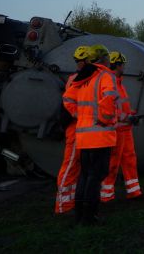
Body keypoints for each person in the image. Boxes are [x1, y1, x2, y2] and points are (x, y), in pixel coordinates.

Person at [63, 44, 118, 225]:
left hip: (83, 137)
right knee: (96, 176)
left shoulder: (83, 77)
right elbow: (109, 98)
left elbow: (67, 98)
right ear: (103, 59)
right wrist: (104, 119)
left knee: (85, 175)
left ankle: (79, 215)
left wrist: (79, 115)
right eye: (108, 58)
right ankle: (89, 217)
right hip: (100, 136)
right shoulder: (105, 76)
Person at [100, 51, 143, 203]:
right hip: (115, 130)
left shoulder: (118, 83)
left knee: (130, 160)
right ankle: (106, 196)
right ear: (117, 65)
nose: (124, 67)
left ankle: (134, 192)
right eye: (123, 65)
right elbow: (109, 109)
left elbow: (120, 106)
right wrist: (127, 117)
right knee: (112, 163)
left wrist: (131, 114)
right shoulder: (110, 83)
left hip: (125, 129)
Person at [54, 45, 92, 215]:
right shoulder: (78, 79)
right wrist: (82, 115)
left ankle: (70, 202)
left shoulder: (77, 78)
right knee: (70, 166)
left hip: (81, 128)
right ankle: (63, 206)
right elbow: (70, 104)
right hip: (76, 129)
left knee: (76, 166)